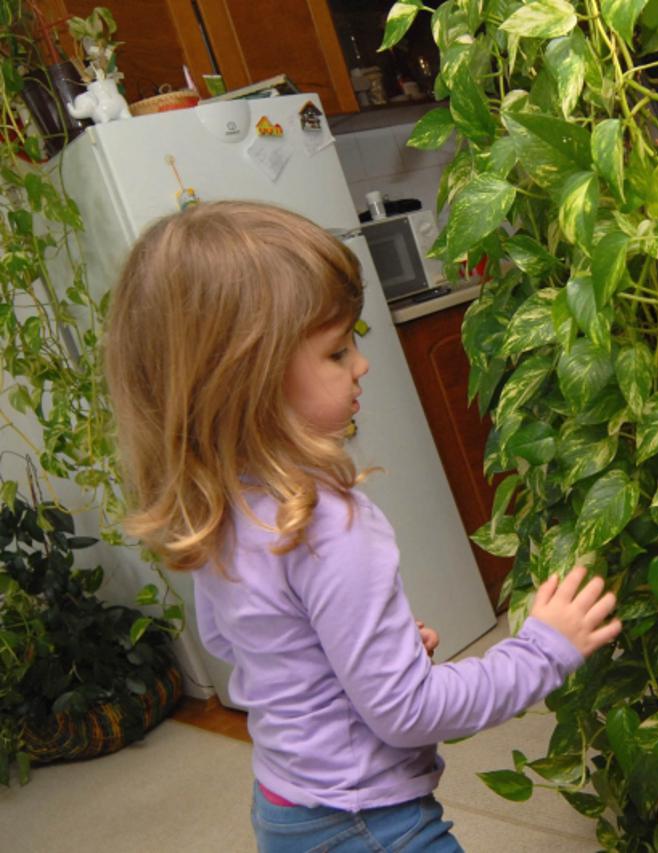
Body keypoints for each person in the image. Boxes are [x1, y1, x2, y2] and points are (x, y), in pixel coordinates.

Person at [104, 201, 622, 852]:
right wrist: (543, 649)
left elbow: (248, 645)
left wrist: (367, 648)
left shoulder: (218, 501)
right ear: (250, 377)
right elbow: (408, 712)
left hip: (287, 805)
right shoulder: (325, 522)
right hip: (371, 823)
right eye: (337, 348)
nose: (361, 364)